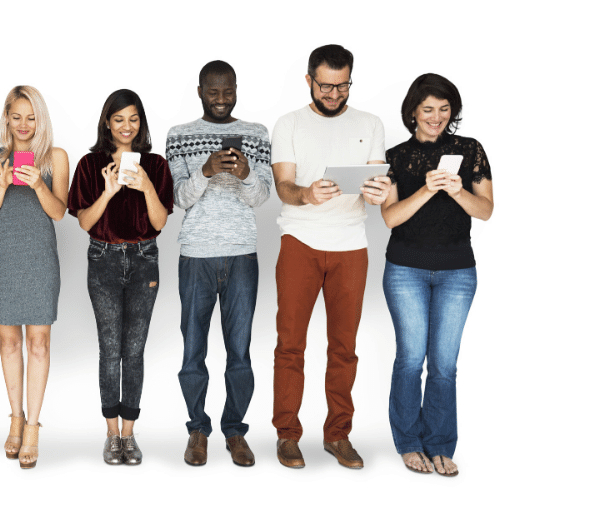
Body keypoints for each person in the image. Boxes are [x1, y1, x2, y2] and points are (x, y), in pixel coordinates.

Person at [271, 44, 392, 470]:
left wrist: (378, 192)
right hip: (300, 241)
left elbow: (375, 184)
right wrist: (306, 194)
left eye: (343, 86)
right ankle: (287, 435)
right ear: (309, 80)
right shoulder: (289, 123)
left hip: (351, 245)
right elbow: (283, 186)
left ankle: (338, 434)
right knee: (290, 345)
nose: (334, 94)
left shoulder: (370, 123)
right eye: (325, 86)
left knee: (344, 347)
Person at [381, 73, 493, 477]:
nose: (436, 117)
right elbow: (390, 218)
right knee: (411, 359)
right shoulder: (394, 156)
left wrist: (458, 191)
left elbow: (485, 210)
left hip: (457, 272)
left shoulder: (470, 149)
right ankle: (409, 443)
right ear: (413, 111)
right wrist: (427, 189)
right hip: (405, 271)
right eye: (428, 109)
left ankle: (441, 445)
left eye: (444, 109)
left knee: (445, 364)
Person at [166, 60, 272, 467]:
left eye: (228, 91)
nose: (222, 99)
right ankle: (197, 429)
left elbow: (260, 198)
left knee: (239, 352)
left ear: (236, 89)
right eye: (213, 92)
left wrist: (245, 175)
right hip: (196, 254)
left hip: (242, 252)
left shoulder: (256, 134)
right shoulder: (179, 135)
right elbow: (179, 198)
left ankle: (235, 431)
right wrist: (207, 171)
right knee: (193, 350)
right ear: (200, 92)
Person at [68, 89, 173, 466]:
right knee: (110, 349)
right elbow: (84, 222)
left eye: (133, 119)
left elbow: (159, 222)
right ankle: (112, 434)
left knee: (135, 351)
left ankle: (129, 434)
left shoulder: (156, 165)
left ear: (141, 122)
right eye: (118, 119)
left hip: (144, 258)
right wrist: (108, 192)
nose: (126, 126)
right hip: (104, 259)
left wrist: (145, 186)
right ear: (107, 123)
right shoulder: (90, 164)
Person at [0, 85, 69, 469]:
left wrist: (37, 184)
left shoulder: (56, 157)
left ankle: (32, 426)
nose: (24, 124)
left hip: (39, 257)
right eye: (16, 116)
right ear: (6, 117)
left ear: (40, 119)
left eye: (31, 117)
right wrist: (1, 185)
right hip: (3, 256)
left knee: (39, 344)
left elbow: (59, 212)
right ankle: (15, 418)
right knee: (9, 342)